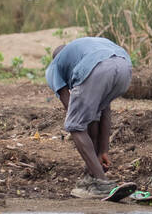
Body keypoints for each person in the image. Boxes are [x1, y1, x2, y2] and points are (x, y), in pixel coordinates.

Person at [45, 36, 133, 199]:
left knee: (74, 125)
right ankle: (93, 174)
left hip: (97, 69)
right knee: (90, 114)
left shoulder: (55, 66)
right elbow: (102, 110)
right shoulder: (85, 49)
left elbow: (72, 111)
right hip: (125, 67)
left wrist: (89, 155)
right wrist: (102, 151)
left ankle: (101, 183)